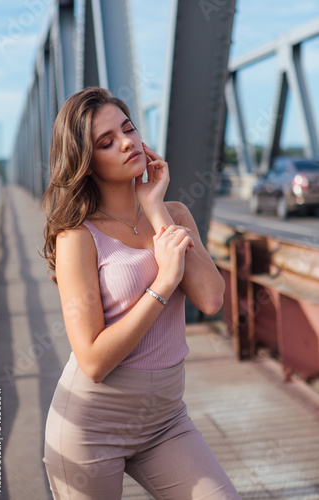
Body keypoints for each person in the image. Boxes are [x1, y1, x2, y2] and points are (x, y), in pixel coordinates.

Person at [42, 87, 242, 500]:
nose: (128, 142)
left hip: (166, 421)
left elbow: (211, 300)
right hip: (92, 427)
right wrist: (163, 283)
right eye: (107, 141)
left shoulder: (175, 215)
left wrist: (155, 206)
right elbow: (93, 361)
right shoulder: (78, 237)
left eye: (128, 128)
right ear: (86, 161)